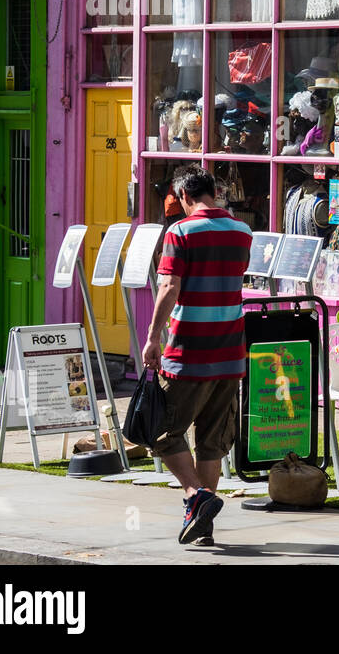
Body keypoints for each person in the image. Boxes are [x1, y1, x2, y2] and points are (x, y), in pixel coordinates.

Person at [142, 166, 252, 546]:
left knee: (159, 429)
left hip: (188, 349)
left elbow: (170, 286)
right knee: (212, 440)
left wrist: (153, 336)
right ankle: (202, 523)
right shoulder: (242, 231)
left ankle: (195, 494)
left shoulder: (180, 232)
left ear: (185, 195)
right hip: (230, 351)